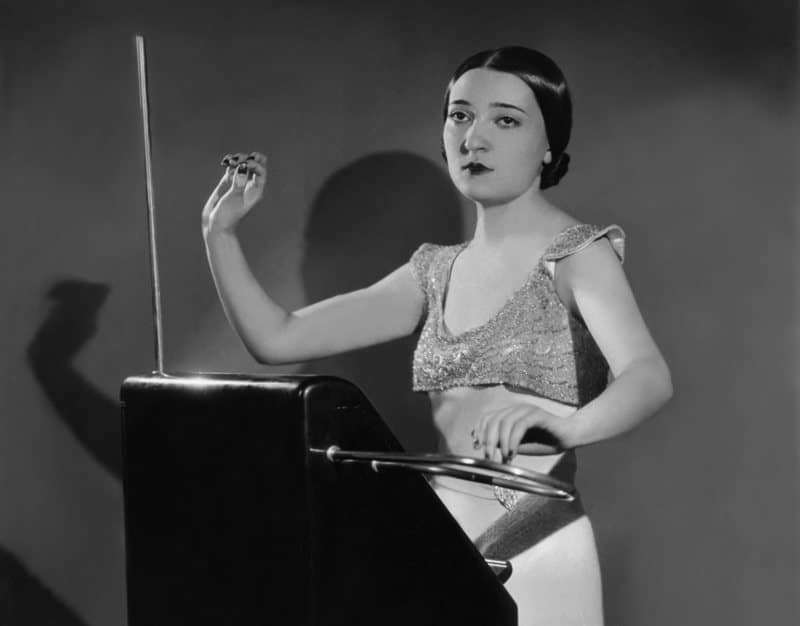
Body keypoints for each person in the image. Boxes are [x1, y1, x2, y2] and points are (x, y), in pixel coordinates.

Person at [202, 46, 672, 626]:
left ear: (549, 145)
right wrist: (219, 235)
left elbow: (648, 377)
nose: (475, 137)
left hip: (538, 546)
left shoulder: (578, 254)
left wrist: (569, 426)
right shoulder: (432, 272)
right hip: (436, 547)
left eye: (505, 119)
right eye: (460, 115)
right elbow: (276, 338)